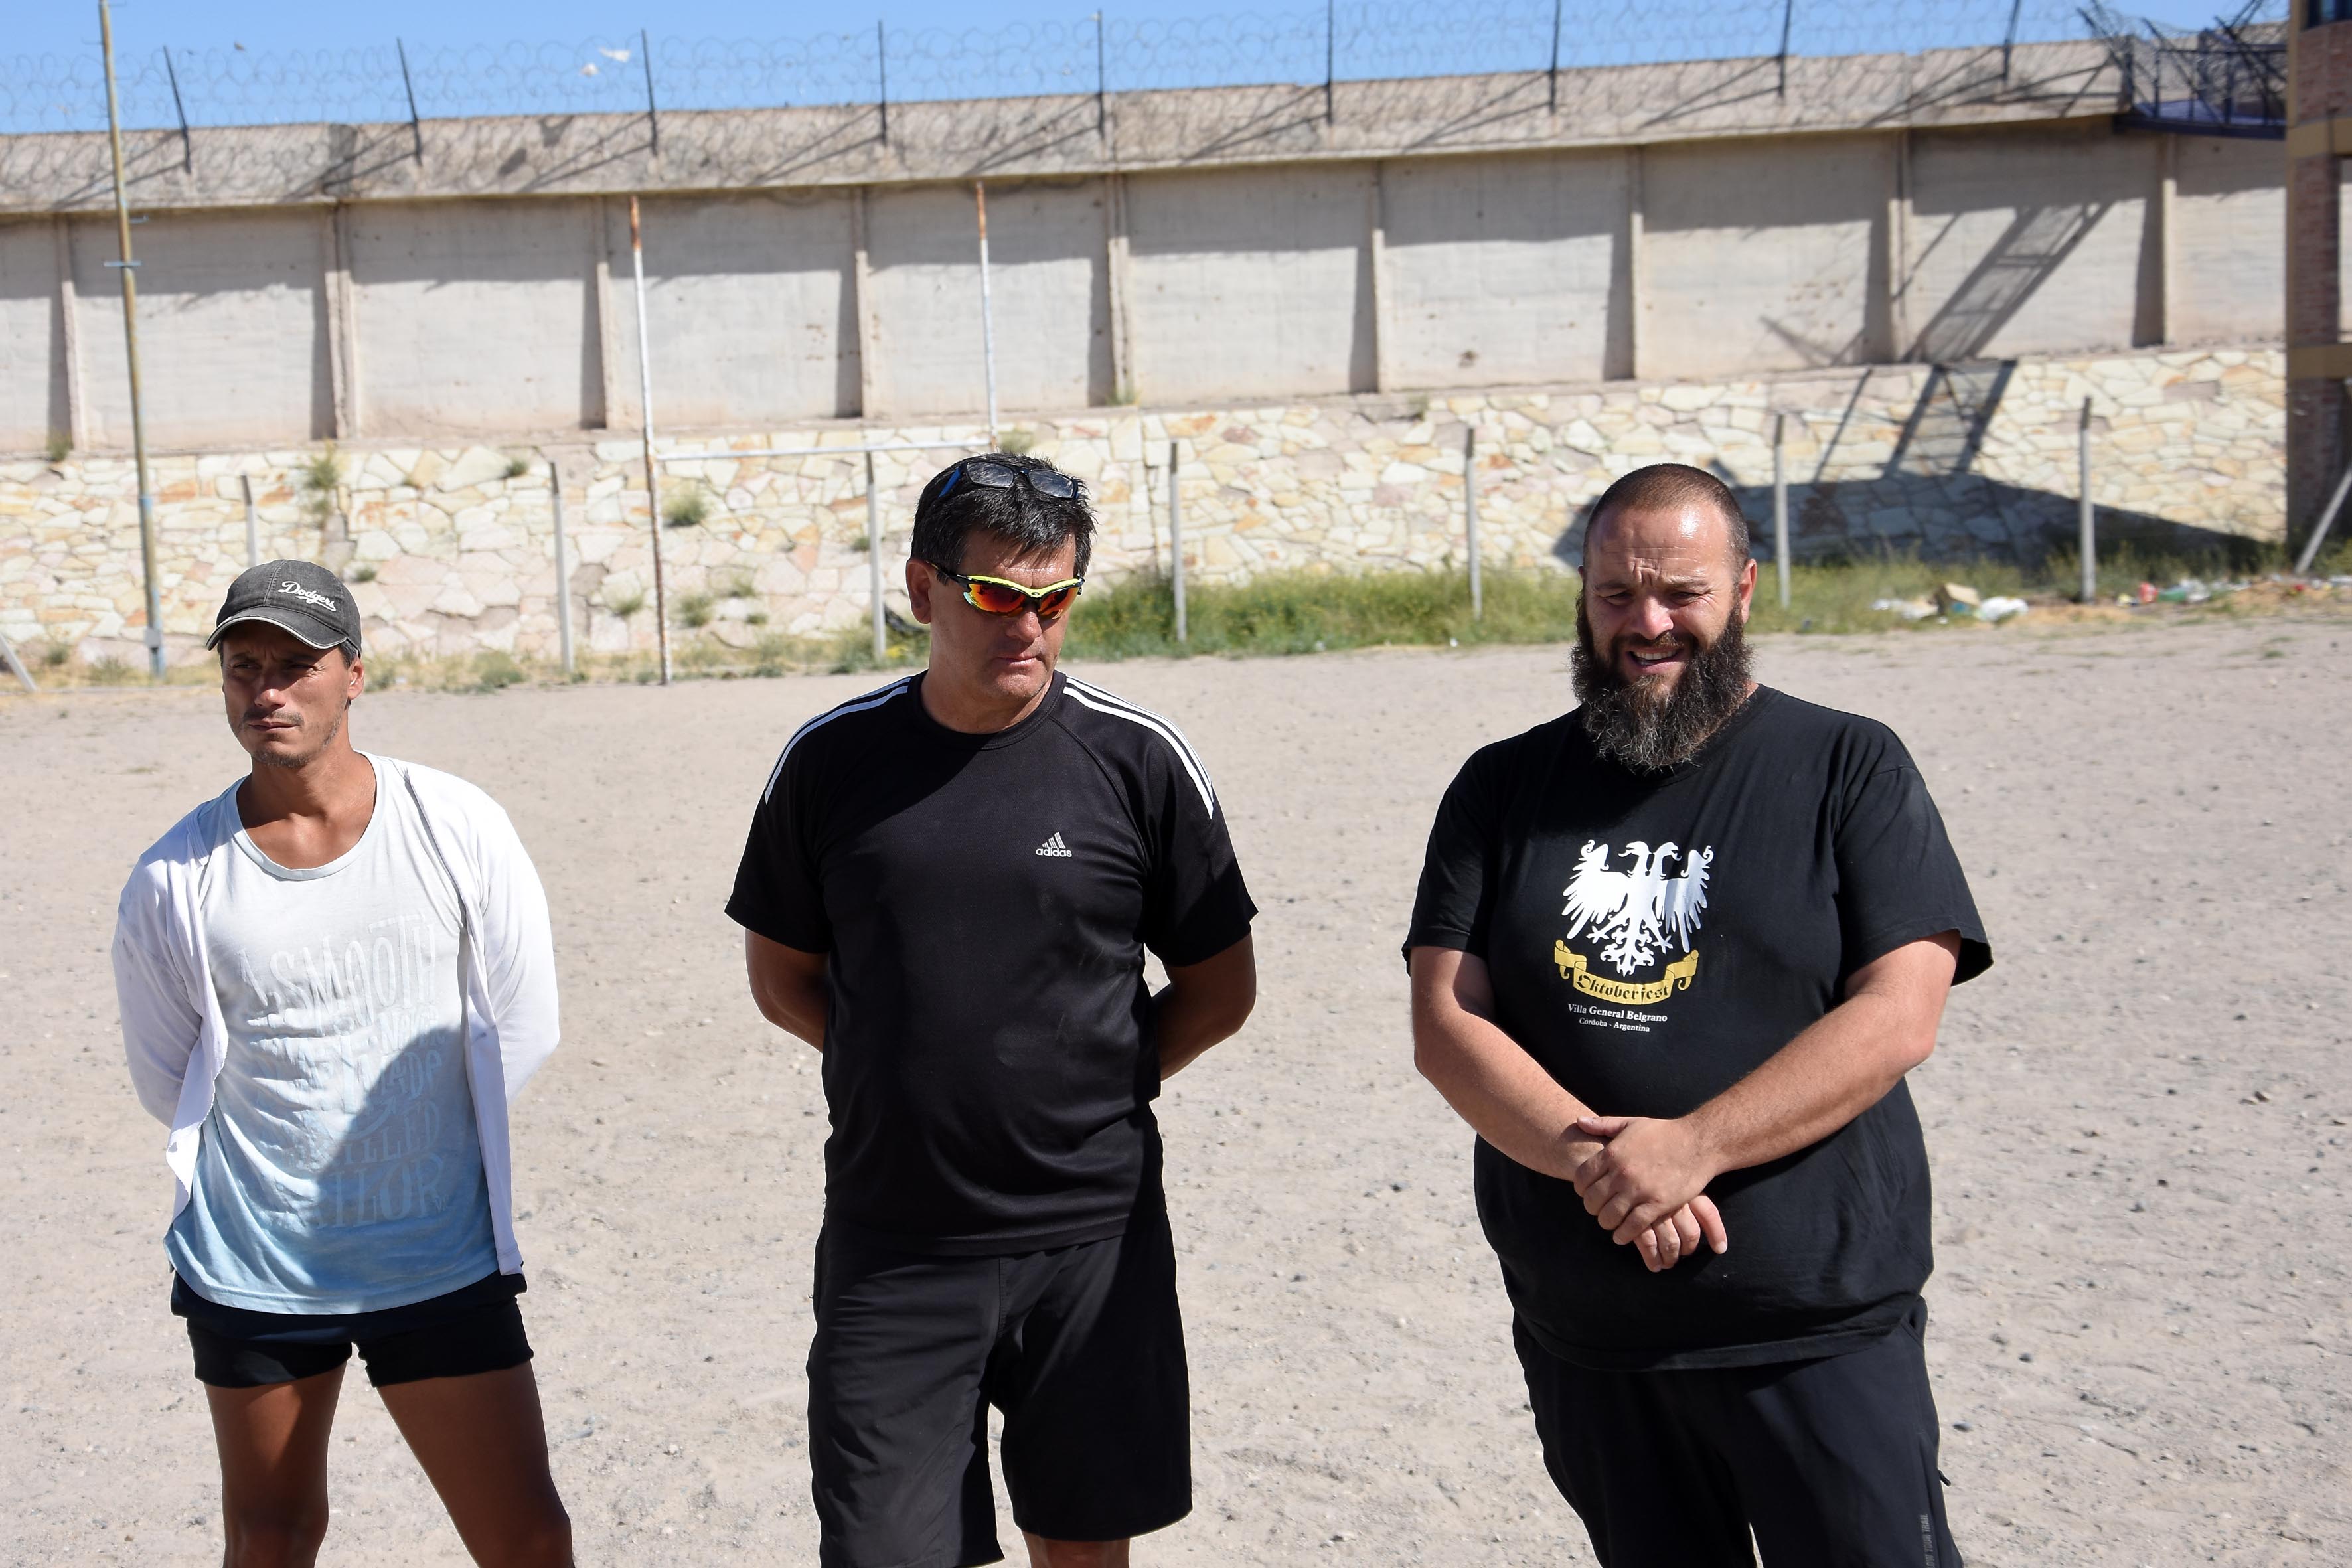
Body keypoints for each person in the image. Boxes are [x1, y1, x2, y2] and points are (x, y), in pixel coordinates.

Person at [1404, 463, 1992, 1567]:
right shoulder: (1501, 786)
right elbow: (1447, 1022)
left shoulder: (1847, 763)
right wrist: (1605, 1165)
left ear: (1746, 588)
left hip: (1811, 1324)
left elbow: (1901, 1012)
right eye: (1616, 594)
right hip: (1594, 1336)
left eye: (1683, 592)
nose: (1649, 623)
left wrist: (1694, 1148)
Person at [728, 453, 1258, 1568]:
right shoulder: (828, 762)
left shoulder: (1140, 761)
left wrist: (1094, 1081)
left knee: (1084, 1543)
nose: (1028, 626)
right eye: (997, 595)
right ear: (923, 590)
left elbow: (1221, 988)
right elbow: (782, 978)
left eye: (1054, 600)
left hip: (1094, 1239)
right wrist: (903, 1062)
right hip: (896, 1241)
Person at [111, 560, 572, 1568]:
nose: (267, 690)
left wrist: (413, 1154)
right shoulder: (176, 876)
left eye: (296, 665)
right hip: (257, 1264)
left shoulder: (455, 825)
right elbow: (168, 1073)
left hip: (436, 1254)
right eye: (244, 667)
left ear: (353, 675)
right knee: (270, 1537)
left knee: (529, 1538)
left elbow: (522, 1020)